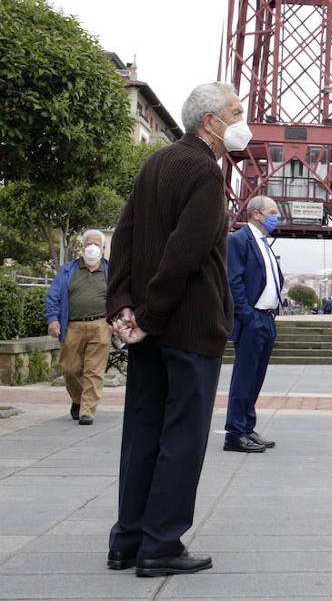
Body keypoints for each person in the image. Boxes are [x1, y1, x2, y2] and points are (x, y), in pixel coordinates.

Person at [105, 82, 247, 578]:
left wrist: (123, 305)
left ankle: (127, 539)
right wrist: (150, 315)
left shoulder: (156, 164)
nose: (241, 119)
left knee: (141, 431)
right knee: (182, 437)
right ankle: (161, 544)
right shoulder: (205, 173)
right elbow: (185, 254)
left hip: (149, 329)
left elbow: (123, 238)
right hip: (185, 328)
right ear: (210, 121)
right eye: (235, 112)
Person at [223, 195, 283, 453]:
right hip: (253, 318)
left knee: (256, 377)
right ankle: (234, 434)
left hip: (267, 318)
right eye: (273, 212)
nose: (276, 217)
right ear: (257, 214)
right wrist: (248, 316)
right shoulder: (238, 240)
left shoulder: (264, 243)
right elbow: (233, 281)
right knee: (244, 377)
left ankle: (247, 427)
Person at [45, 230, 111, 425]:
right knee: (69, 368)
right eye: (88, 243)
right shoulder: (68, 270)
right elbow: (53, 296)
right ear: (82, 247)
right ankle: (78, 399)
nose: (92, 247)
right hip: (72, 326)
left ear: (103, 248)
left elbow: (120, 296)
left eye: (96, 244)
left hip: (101, 325)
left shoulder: (111, 271)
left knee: (93, 370)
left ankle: (87, 411)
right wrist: (52, 319)